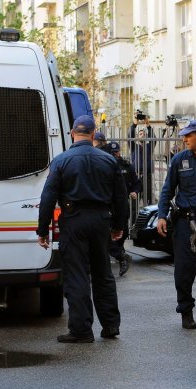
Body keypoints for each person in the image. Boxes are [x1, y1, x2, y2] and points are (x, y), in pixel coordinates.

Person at [37, 115, 128, 343]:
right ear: (93, 132)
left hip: (74, 220)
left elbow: (48, 197)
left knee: (77, 276)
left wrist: (43, 229)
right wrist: (119, 227)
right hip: (100, 220)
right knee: (103, 273)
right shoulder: (108, 160)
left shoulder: (62, 160)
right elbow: (121, 198)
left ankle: (81, 330)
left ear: (72, 133)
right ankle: (110, 326)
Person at [156, 120, 196, 329]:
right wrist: (161, 215)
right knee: (184, 270)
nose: (183, 139)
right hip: (185, 220)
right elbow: (168, 189)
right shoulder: (179, 160)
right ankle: (186, 310)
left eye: (188, 135)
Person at [109, 141, 141, 276]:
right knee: (107, 233)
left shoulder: (126, 166)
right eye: (113, 153)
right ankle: (120, 255)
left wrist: (135, 191)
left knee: (122, 230)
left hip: (122, 203)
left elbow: (137, 183)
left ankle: (120, 251)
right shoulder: (106, 165)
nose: (115, 155)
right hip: (109, 204)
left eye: (116, 152)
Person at [129, 115, 154, 203]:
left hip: (147, 175)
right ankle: (134, 215)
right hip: (136, 175)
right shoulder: (133, 147)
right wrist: (134, 125)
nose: (142, 135)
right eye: (140, 134)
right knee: (135, 200)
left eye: (144, 134)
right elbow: (130, 137)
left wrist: (147, 124)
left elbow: (153, 139)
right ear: (137, 136)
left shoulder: (149, 146)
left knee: (148, 199)